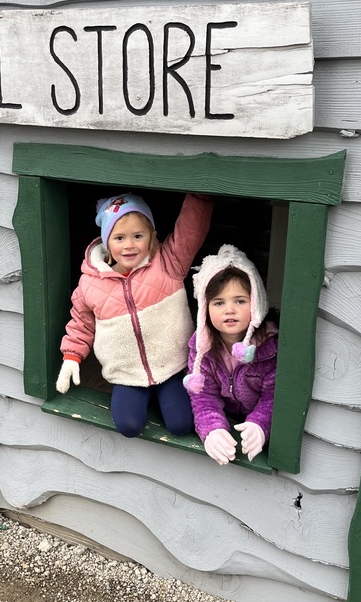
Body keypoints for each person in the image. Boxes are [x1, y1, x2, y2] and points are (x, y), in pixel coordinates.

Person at [56, 191, 214, 437]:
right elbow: (81, 324)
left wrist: (201, 195)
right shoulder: (90, 283)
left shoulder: (169, 263)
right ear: (107, 243)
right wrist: (71, 357)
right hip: (127, 373)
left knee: (181, 424)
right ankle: (145, 396)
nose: (129, 245)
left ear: (152, 238)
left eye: (138, 236)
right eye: (119, 238)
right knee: (128, 426)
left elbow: (189, 233)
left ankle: (161, 395)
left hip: (172, 367)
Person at [184, 244, 278, 465]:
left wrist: (260, 424)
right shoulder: (202, 350)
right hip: (229, 421)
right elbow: (204, 396)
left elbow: (274, 395)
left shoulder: (268, 348)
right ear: (205, 310)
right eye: (218, 302)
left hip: (253, 430)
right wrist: (213, 430)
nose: (229, 310)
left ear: (256, 304)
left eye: (240, 301)